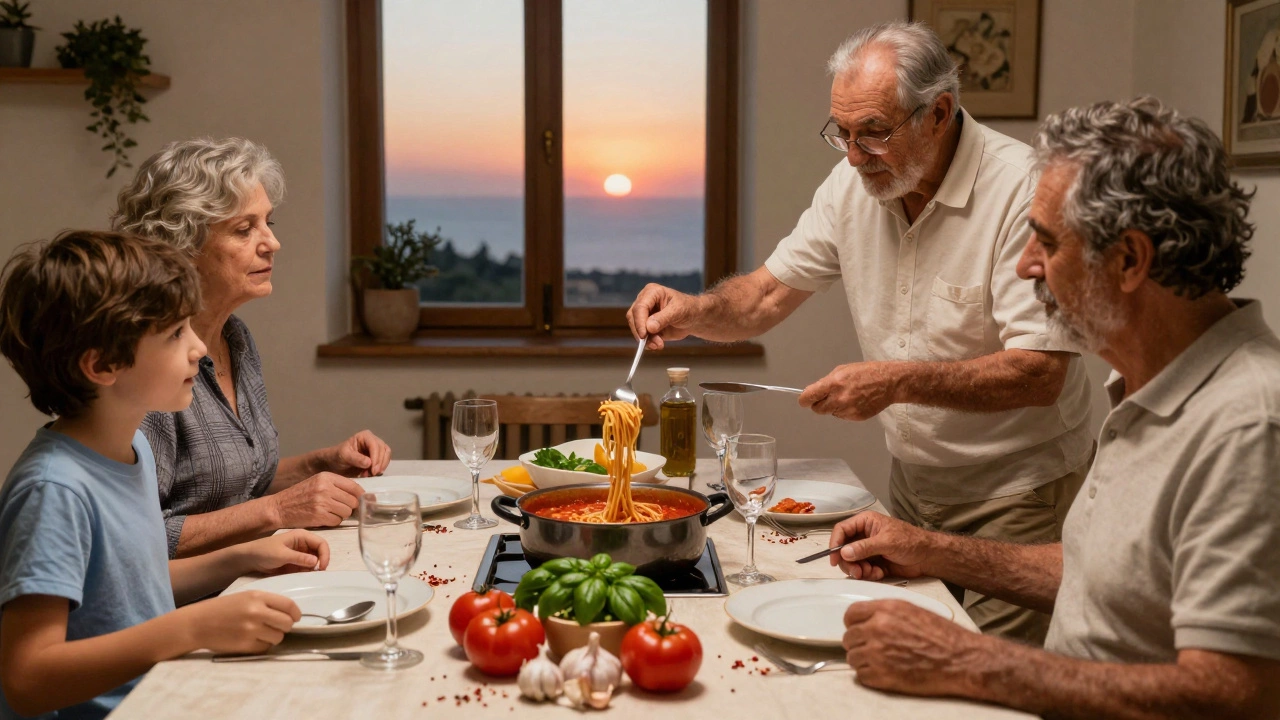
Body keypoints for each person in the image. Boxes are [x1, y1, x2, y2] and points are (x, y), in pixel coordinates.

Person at [626, 21, 1091, 643]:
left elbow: (1040, 373)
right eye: (840, 133)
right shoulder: (854, 183)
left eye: (872, 132)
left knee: (986, 678)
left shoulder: (1021, 189)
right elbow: (762, 296)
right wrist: (692, 310)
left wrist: (893, 382)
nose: (851, 153)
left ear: (940, 113)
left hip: (1019, 497)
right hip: (911, 486)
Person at [831, 97, 1280, 717]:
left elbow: (1237, 695)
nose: (1025, 265)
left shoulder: (1250, 427)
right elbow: (1106, 579)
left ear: (1128, 260)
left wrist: (964, 660)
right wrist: (929, 547)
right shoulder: (1151, 387)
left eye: (1046, 242)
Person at [0, 230, 328, 720]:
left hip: (162, 696)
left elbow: (130, 590)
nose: (199, 348)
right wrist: (191, 628)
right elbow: (27, 678)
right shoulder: (55, 490)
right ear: (102, 364)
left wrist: (241, 559)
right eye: (176, 334)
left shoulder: (131, 450)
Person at [111, 137, 392, 559]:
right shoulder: (146, 362)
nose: (271, 243)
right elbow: (133, 539)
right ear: (183, 247)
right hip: (187, 609)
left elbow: (235, 484)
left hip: (246, 580)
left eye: (268, 223)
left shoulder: (235, 337)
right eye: (244, 229)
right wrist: (278, 511)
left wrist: (319, 465)